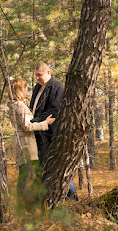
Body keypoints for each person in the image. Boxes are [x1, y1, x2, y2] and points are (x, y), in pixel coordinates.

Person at [30, 62, 78, 201]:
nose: (37, 78)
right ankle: (47, 204)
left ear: (48, 72)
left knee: (59, 168)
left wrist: (34, 122)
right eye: (36, 75)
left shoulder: (57, 87)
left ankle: (72, 201)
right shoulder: (37, 88)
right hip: (39, 134)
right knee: (43, 169)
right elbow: (33, 108)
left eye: (39, 75)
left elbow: (53, 111)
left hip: (51, 134)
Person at [8, 77, 55, 196]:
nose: (26, 90)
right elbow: (27, 126)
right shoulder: (19, 105)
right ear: (19, 90)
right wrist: (45, 123)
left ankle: (28, 203)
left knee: (26, 176)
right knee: (25, 176)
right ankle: (23, 206)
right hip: (26, 144)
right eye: (24, 88)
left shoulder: (14, 104)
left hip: (23, 142)